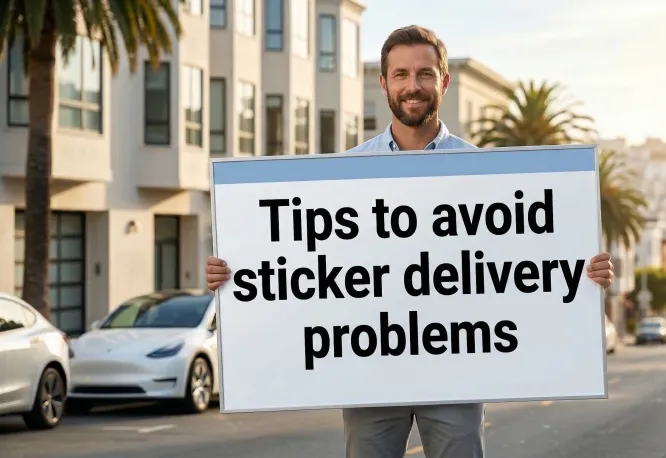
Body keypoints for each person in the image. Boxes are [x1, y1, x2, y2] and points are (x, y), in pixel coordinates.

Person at [205, 25, 615, 458]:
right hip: (370, 370)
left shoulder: (486, 173)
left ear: (444, 81)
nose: (412, 86)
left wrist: (580, 271)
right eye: (400, 75)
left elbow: (526, 266)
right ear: (384, 83)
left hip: (457, 368)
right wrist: (237, 271)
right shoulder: (343, 175)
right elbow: (303, 266)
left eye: (424, 73)